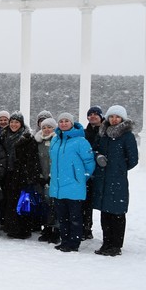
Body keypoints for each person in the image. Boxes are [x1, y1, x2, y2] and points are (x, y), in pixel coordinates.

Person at [91, 105, 138, 256]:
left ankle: (116, 245)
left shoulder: (127, 136)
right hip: (103, 180)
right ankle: (106, 243)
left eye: (117, 117)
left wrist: (119, 168)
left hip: (117, 180)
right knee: (105, 213)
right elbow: (95, 150)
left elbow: (133, 159)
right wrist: (98, 156)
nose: (114, 119)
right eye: (111, 116)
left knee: (117, 213)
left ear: (122, 119)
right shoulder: (103, 134)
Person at [49, 112, 95, 252]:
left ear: (72, 123)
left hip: (74, 185)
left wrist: (81, 177)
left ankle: (74, 243)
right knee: (62, 217)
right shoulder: (55, 140)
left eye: (66, 121)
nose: (63, 123)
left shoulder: (81, 141)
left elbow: (89, 162)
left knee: (74, 217)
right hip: (58, 185)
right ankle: (65, 240)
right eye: (61, 121)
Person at [34, 118, 60, 243]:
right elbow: (36, 160)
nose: (46, 130)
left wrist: (51, 175)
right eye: (44, 127)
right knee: (45, 204)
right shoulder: (38, 142)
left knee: (54, 204)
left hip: (54, 178)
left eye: (49, 127)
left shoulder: (57, 141)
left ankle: (57, 229)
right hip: (42, 177)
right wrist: (39, 175)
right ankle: (47, 228)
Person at [81, 105, 104, 240]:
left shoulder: (106, 132)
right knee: (86, 201)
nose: (93, 116)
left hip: (102, 170)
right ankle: (86, 228)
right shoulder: (85, 133)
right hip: (87, 172)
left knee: (103, 203)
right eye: (90, 114)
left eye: (96, 114)